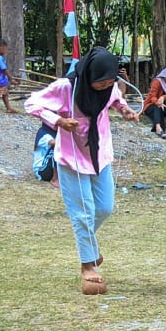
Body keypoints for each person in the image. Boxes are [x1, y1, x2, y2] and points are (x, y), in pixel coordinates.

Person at [24, 46, 140, 294]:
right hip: (72, 157)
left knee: (105, 207)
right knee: (83, 213)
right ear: (89, 75)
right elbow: (31, 103)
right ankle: (87, 266)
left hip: (100, 155)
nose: (105, 85)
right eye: (101, 81)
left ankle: (89, 245)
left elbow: (116, 98)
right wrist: (58, 121)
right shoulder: (67, 87)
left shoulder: (109, 88)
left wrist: (125, 109)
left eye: (110, 81)